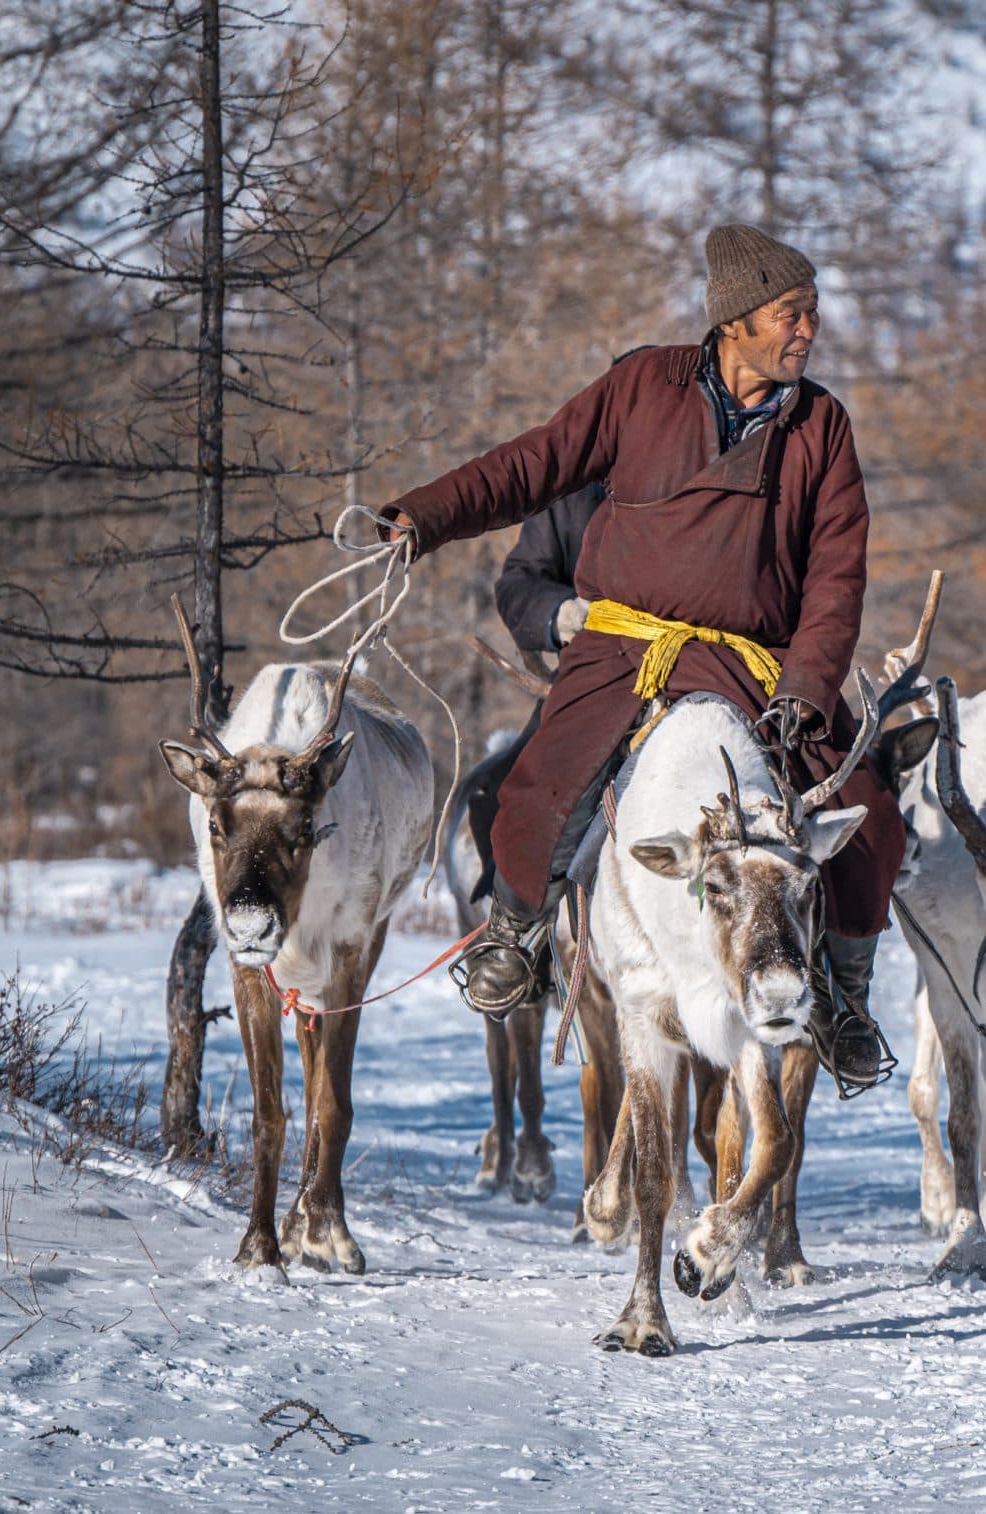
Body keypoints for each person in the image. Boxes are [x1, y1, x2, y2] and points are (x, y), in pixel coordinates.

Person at [380, 225, 900, 1092]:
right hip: (630, 647)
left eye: (812, 313)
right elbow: (531, 464)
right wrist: (424, 517)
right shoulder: (640, 386)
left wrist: (810, 686)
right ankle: (516, 937)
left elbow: (838, 573)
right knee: (544, 781)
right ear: (735, 320)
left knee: (869, 815)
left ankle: (844, 1001)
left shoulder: (822, 427)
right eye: (790, 314)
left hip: (762, 663)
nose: (808, 331)